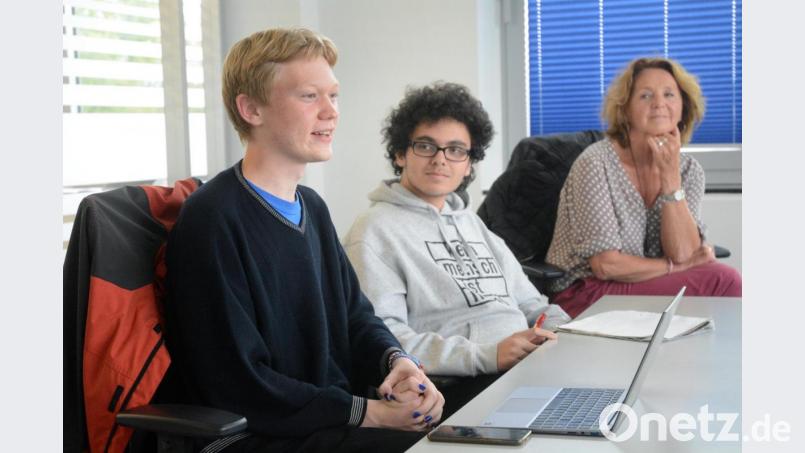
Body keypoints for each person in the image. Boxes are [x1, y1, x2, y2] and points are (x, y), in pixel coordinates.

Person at [165, 28, 444, 452]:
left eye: (334, 96)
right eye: (310, 96)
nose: (330, 112)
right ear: (251, 108)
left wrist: (398, 363)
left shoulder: (311, 206)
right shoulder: (212, 218)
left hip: (321, 419)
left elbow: (355, 317)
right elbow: (238, 380)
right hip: (252, 433)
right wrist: (371, 413)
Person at [343, 82, 569, 417]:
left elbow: (532, 304)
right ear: (400, 154)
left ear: (468, 164)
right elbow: (386, 340)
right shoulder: (374, 231)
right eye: (425, 146)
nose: (440, 160)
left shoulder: (472, 224)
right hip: (458, 388)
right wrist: (488, 355)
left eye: (455, 150)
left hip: (525, 367)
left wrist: (572, 335)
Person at [545, 57, 742, 318]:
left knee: (720, 282)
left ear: (683, 107)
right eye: (645, 96)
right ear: (625, 109)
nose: (659, 103)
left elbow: (684, 252)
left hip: (643, 286)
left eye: (669, 94)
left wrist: (670, 179)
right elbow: (606, 265)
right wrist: (673, 266)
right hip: (587, 293)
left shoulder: (688, 170)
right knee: (724, 281)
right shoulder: (595, 163)